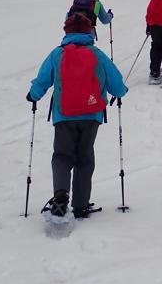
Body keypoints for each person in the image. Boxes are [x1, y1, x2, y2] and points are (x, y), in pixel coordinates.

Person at [26, 14, 128, 219]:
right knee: (85, 157)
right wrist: (119, 92)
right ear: (89, 31)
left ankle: (61, 195)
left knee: (62, 156)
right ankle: (80, 205)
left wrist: (33, 95)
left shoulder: (57, 54)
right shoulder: (98, 54)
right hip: (91, 115)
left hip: (64, 115)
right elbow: (116, 83)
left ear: (66, 32)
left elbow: (43, 79)